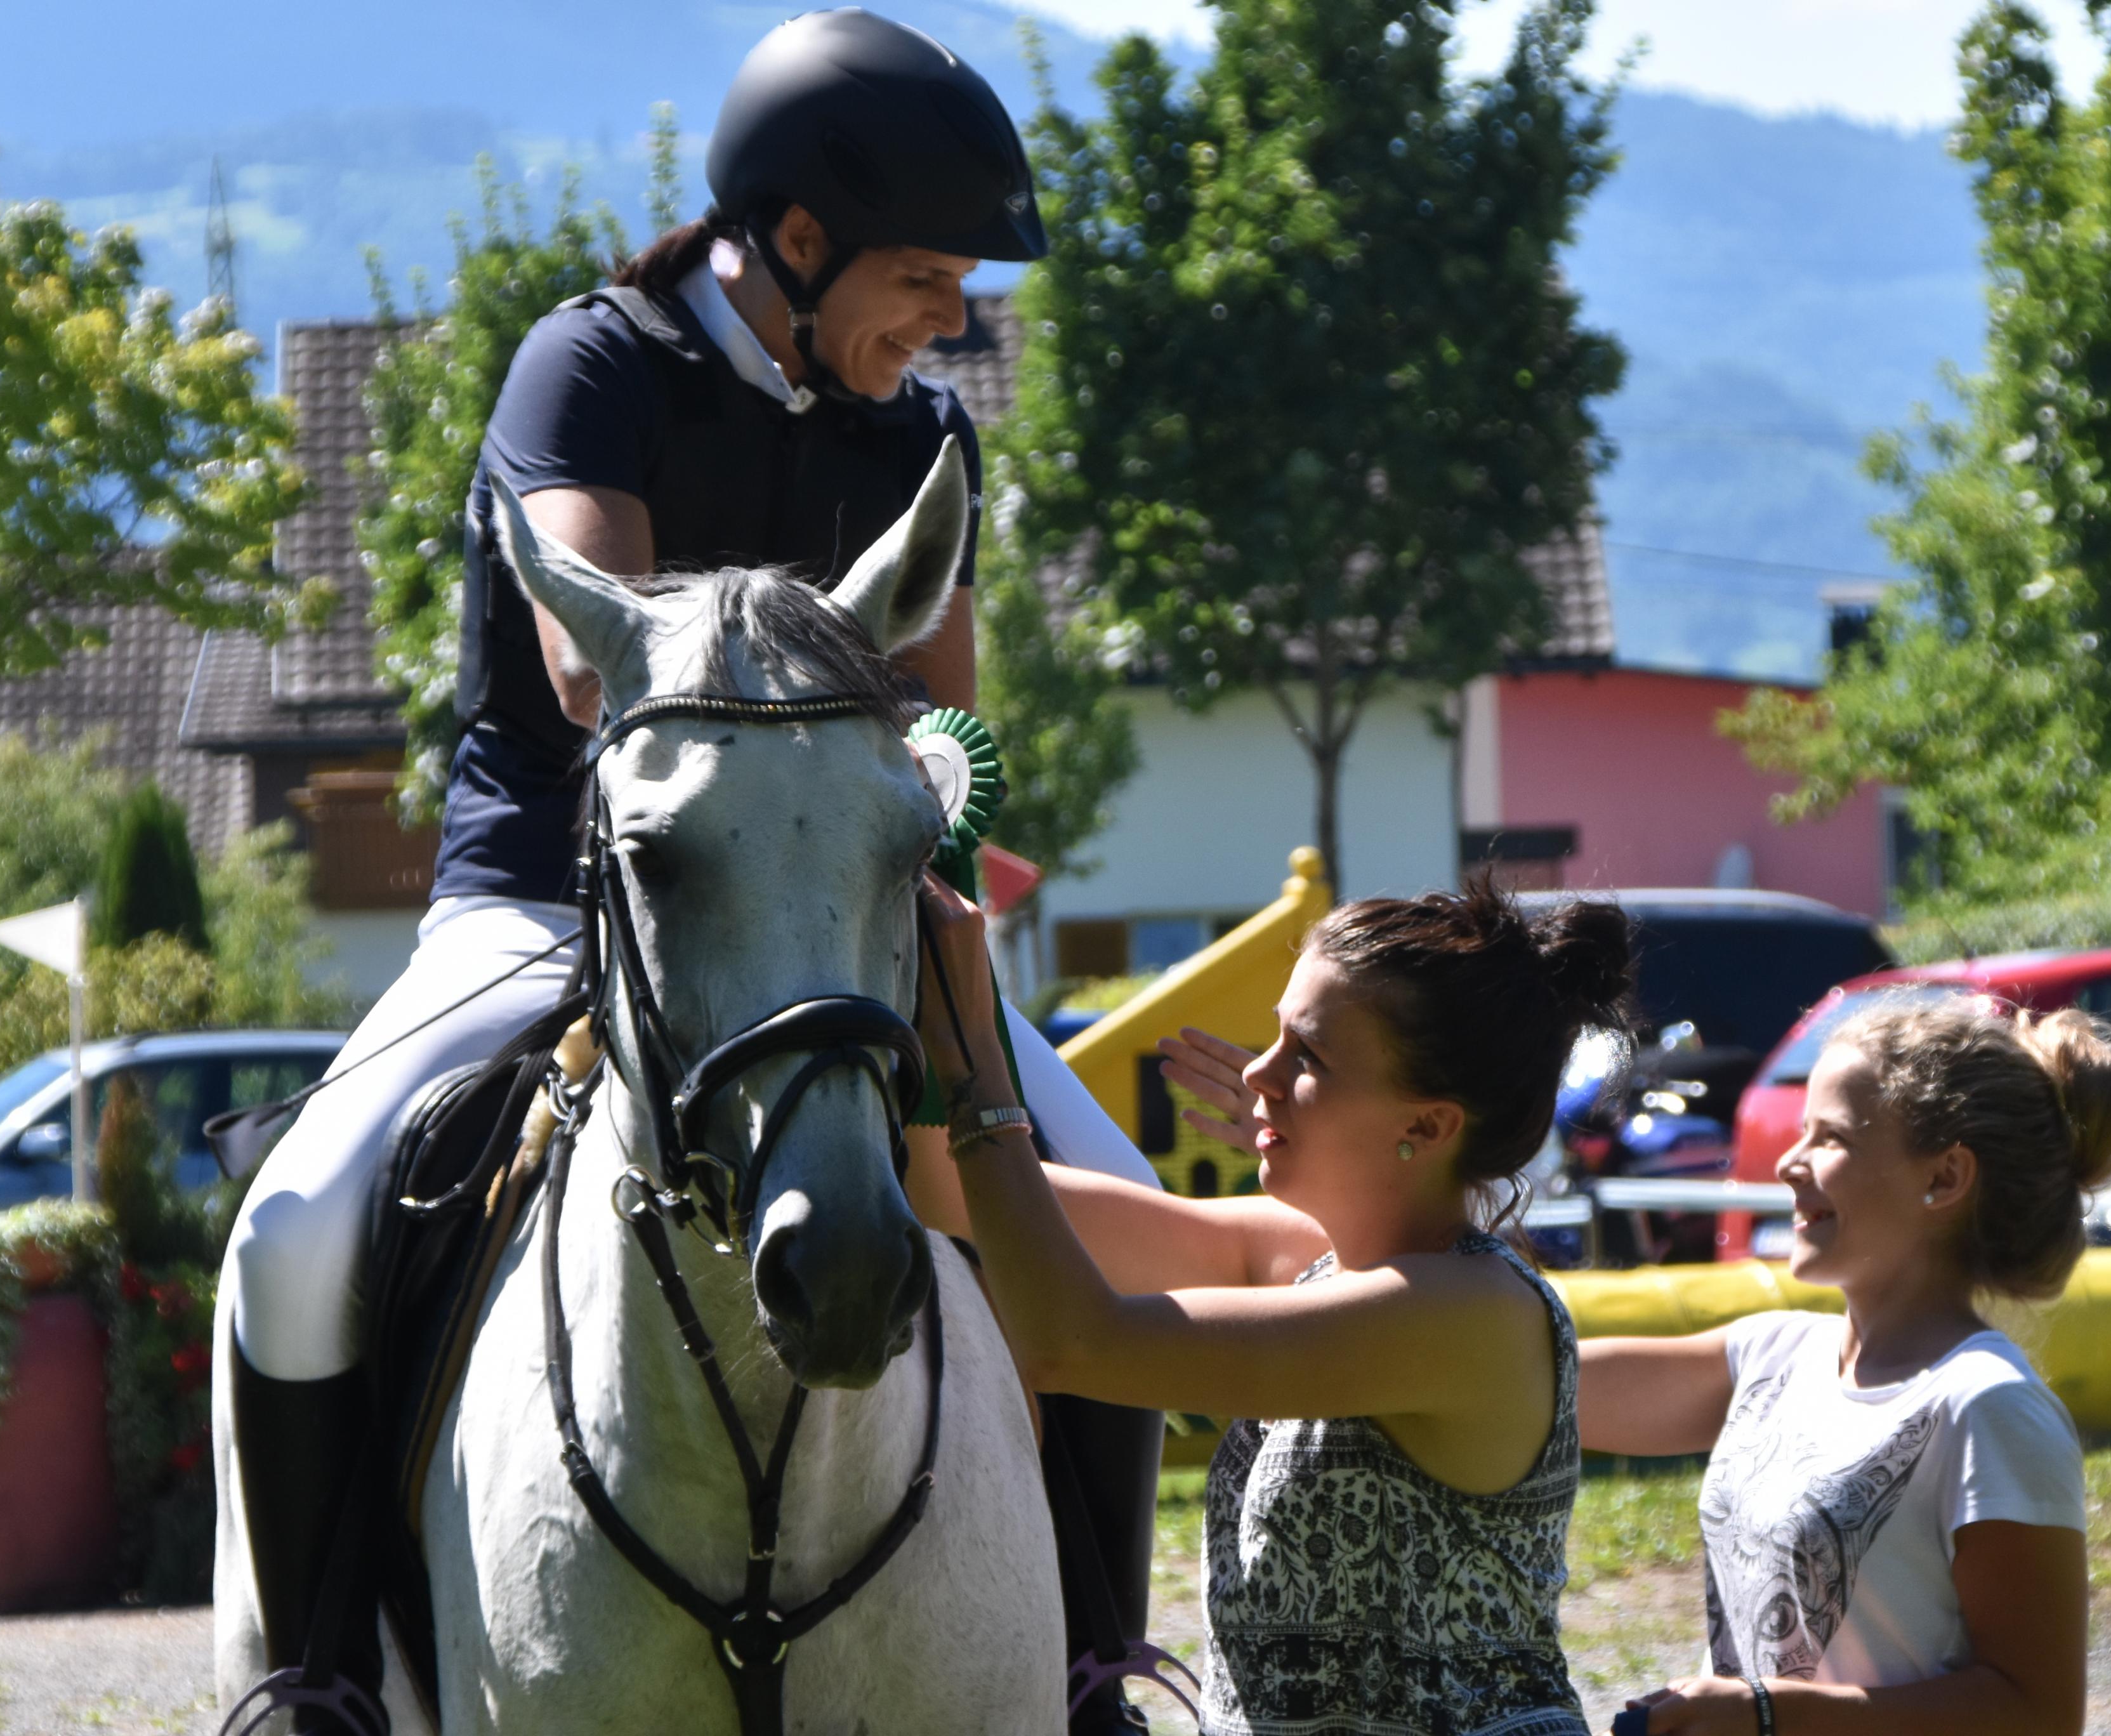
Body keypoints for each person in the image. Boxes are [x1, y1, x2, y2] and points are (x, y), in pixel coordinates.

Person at [216, 12, 1179, 1730]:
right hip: (551, 901)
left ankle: (1099, 1656)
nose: (953, 321)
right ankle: (315, 1681)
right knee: (298, 1231)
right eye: (925, 277)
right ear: (797, 241)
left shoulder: (920, 434)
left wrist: (927, 869)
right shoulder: (590, 368)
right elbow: (596, 673)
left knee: (1104, 1198)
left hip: (845, 928)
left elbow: (943, 732)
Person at [911, 868, 1638, 1736]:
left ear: (1425, 1126)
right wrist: (900, 967)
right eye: (1277, 1037)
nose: (1259, 1072)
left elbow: (1073, 1342)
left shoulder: (1467, 1312)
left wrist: (977, 1053)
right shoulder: (1306, 1257)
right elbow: (948, 1195)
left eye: (1309, 1057)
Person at [1580, 997, 2111, 1735]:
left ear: (1944, 1178)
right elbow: (1542, 1389)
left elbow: (2037, 1714)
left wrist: (1768, 1715)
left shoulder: (1986, 1406)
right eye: (1801, 1133)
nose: (1789, 1164)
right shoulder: (1773, 1356)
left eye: (1831, 1138)